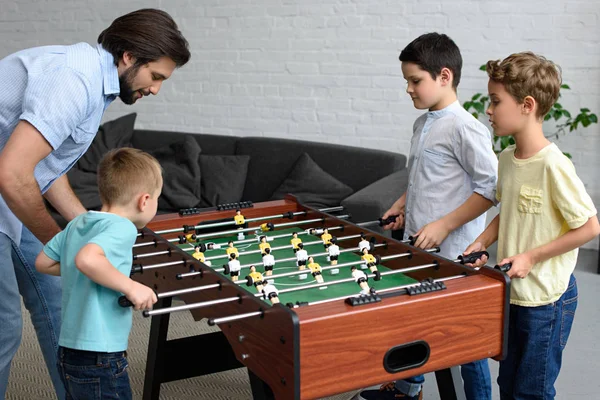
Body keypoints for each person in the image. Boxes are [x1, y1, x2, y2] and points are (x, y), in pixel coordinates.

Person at [0, 8, 189, 398]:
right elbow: (13, 174)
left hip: (10, 190)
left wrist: (84, 225)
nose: (155, 89)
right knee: (3, 327)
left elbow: (45, 168)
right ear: (129, 57)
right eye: (156, 77)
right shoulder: (75, 81)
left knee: (57, 300)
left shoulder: (96, 85)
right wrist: (69, 244)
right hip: (7, 184)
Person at [357, 32, 498, 400]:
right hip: (419, 246)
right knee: (413, 320)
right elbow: (422, 176)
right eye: (406, 80)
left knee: (467, 342)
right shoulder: (422, 124)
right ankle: (407, 389)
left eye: (415, 80)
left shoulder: (467, 128)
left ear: (445, 77)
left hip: (455, 254)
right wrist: (403, 204)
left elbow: (491, 188)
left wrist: (444, 224)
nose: (408, 89)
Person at [464, 52, 600, 399]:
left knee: (532, 391)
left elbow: (589, 227)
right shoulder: (507, 159)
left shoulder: (554, 166)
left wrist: (532, 257)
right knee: (507, 384)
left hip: (548, 301)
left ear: (526, 105)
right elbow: (508, 210)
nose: (489, 110)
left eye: (496, 101)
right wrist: (481, 241)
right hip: (514, 294)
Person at [34, 148, 162, 399]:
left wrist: (82, 268)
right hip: (100, 354)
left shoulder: (78, 223)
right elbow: (87, 259)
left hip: (68, 351)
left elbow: (43, 263)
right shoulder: (124, 228)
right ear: (144, 200)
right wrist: (131, 286)